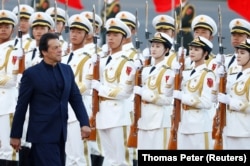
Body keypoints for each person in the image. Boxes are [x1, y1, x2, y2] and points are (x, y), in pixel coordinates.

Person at [10, 33, 91, 166]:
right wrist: (15, 134)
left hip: (61, 133)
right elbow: (21, 106)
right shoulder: (31, 74)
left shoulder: (67, 70)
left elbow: (75, 98)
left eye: (59, 46)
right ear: (44, 52)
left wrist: (84, 123)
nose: (60, 50)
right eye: (55, 48)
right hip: (41, 133)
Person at [91, 17, 136, 165]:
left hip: (118, 114)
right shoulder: (102, 60)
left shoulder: (126, 61)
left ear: (124, 39)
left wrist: (100, 88)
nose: (111, 38)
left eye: (115, 35)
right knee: (108, 157)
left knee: (122, 158)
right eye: (109, 34)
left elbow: (124, 91)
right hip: (103, 113)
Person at [61, 14, 94, 166]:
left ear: (86, 35)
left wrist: (62, 91)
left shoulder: (89, 58)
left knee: (79, 156)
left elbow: (86, 86)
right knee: (68, 155)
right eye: (72, 31)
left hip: (78, 111)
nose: (74, 34)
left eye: (79, 32)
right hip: (62, 110)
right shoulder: (64, 56)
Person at [173, 36, 216, 149]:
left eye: (197, 49)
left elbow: (207, 103)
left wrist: (183, 97)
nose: (192, 52)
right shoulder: (185, 72)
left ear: (205, 53)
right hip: (183, 123)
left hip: (199, 125)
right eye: (191, 49)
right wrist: (175, 74)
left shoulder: (207, 74)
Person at [134, 32, 175, 150]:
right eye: (152, 46)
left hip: (159, 120)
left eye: (158, 46)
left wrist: (143, 93)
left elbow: (166, 99)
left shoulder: (168, 72)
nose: (154, 49)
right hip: (143, 118)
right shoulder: (145, 70)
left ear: (166, 50)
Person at [218, 39, 250, 149]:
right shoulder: (232, 75)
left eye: (242, 53)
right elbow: (216, 96)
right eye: (237, 52)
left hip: (245, 130)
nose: (238, 55)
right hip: (228, 127)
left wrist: (231, 102)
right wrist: (219, 77)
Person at [0, 9, 19, 166]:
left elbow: (13, 79)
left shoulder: (15, 49)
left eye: (6, 26)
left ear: (13, 28)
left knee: (8, 149)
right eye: (0, 26)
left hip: (7, 105)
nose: (3, 29)